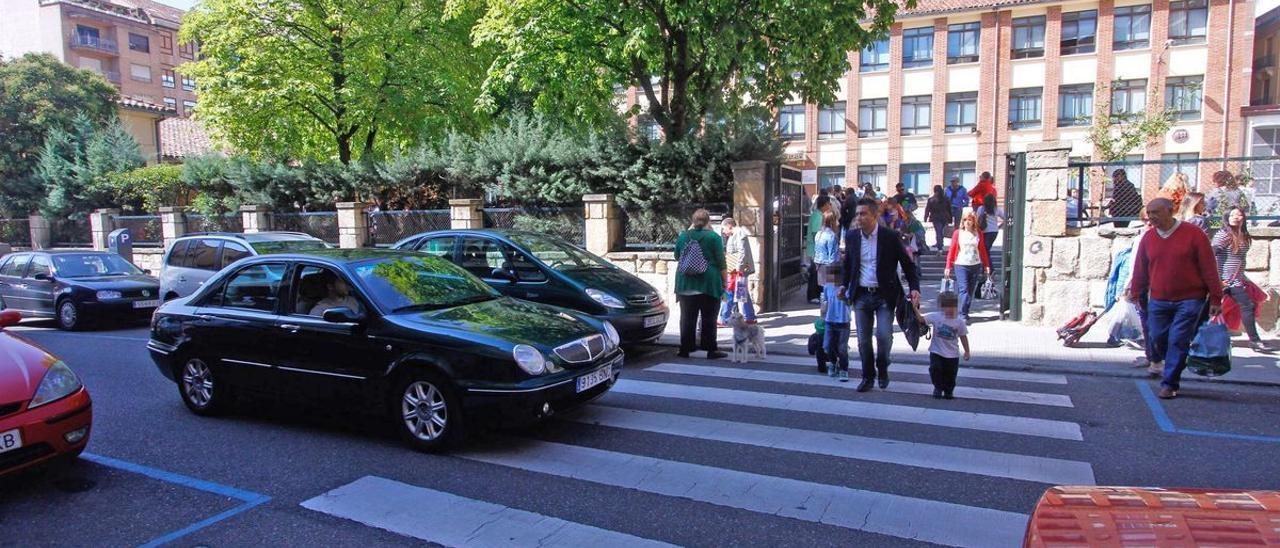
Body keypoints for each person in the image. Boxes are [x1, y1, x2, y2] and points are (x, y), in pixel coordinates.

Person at [1129, 198, 1222, 399]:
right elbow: (1140, 268)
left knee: (1178, 339)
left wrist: (1216, 297)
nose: (1152, 217)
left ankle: (1170, 383)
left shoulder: (1194, 234)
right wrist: (1136, 292)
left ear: (1171, 211)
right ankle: (1172, 361)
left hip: (1190, 298)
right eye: (1149, 213)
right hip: (1159, 298)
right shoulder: (1148, 238)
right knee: (1156, 336)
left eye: (1156, 212)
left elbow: (1209, 268)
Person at [839, 198, 922, 392]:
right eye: (857, 214)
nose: (859, 217)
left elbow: (908, 264)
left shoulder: (889, 236)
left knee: (884, 336)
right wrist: (844, 285)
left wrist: (914, 288)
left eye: (863, 213)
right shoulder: (852, 236)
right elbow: (848, 265)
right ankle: (868, 377)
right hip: (860, 295)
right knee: (863, 340)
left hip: (885, 295)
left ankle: (883, 366)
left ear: (875, 215)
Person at [674, 209, 727, 359]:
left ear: (693, 221)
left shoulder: (684, 236)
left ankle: (685, 348)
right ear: (708, 221)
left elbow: (677, 255)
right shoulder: (714, 237)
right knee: (709, 318)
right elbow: (721, 261)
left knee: (686, 318)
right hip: (708, 284)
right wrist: (725, 281)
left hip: (685, 284)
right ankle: (710, 349)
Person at [1212, 207, 1268, 351]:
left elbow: (1239, 260)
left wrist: (1243, 276)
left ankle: (1254, 341)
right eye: (1232, 215)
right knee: (1207, 308)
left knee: (1247, 305)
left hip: (1235, 279)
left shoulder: (1243, 235)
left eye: (1239, 214)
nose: (1236, 217)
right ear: (1226, 217)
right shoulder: (1224, 234)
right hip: (1222, 280)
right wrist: (1217, 278)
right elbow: (1212, 254)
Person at [943, 213, 991, 323]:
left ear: (974, 221)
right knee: (963, 289)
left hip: (975, 264)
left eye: (970, 220)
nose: (967, 222)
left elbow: (982, 250)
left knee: (970, 290)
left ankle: (965, 311)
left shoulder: (978, 233)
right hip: (961, 264)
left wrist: (986, 265)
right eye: (965, 220)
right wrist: (948, 266)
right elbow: (952, 249)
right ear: (962, 221)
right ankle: (962, 315)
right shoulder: (957, 233)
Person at [923, 291, 970, 400]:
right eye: (946, 306)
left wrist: (967, 351)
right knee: (935, 369)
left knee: (951, 373)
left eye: (952, 306)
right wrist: (915, 307)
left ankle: (949, 390)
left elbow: (963, 336)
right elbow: (922, 319)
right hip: (936, 351)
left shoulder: (959, 322)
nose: (949, 310)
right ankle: (938, 387)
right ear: (941, 307)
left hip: (952, 354)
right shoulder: (936, 317)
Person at [717, 217, 757, 326]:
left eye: (724, 229)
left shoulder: (738, 233)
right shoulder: (736, 234)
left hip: (736, 270)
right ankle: (749, 317)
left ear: (729, 226)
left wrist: (738, 268)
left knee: (732, 291)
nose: (724, 232)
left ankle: (724, 318)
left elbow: (742, 251)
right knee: (741, 292)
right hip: (736, 269)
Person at [806, 195, 833, 303]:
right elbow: (816, 233)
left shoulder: (819, 214)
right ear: (824, 204)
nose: (830, 206)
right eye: (828, 203)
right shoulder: (818, 216)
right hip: (815, 249)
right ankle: (813, 295)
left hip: (816, 249)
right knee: (814, 273)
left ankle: (816, 294)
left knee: (817, 273)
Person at [924, 184, 952, 252]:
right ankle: (940, 244)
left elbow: (927, 209)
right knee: (941, 231)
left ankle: (940, 245)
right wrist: (950, 218)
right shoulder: (946, 199)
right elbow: (949, 209)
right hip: (945, 217)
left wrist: (926, 217)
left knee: (938, 231)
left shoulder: (931, 200)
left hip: (936, 217)